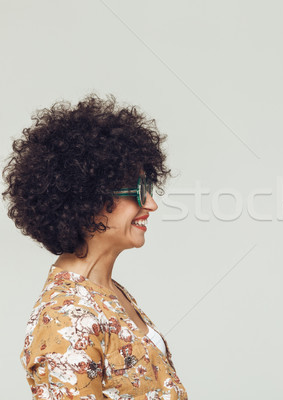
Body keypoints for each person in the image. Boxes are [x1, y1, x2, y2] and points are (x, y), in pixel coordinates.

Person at [3, 95, 188, 399]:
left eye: (149, 188)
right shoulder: (66, 316)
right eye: (138, 192)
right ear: (87, 198)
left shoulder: (107, 291)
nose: (151, 204)